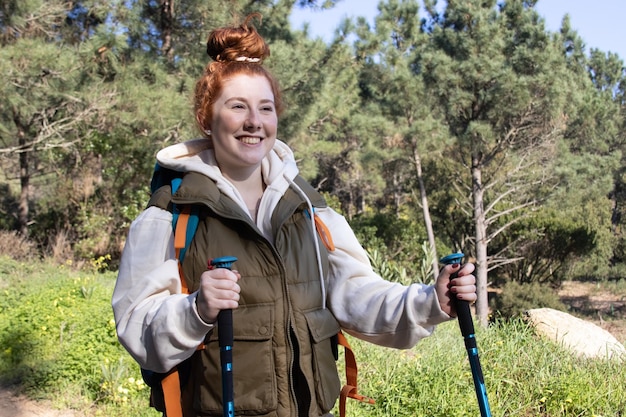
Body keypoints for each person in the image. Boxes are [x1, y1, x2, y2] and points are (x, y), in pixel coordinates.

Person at [112, 14, 477, 417]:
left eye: (265, 108)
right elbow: (135, 325)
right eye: (237, 106)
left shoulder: (309, 209)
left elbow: (357, 296)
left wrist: (431, 301)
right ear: (207, 117)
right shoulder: (171, 213)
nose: (254, 121)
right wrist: (196, 308)